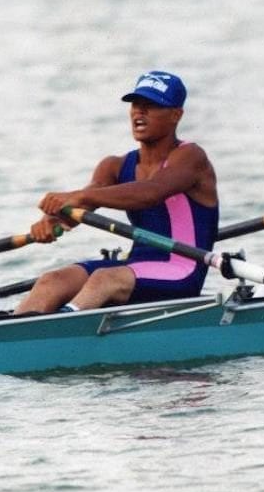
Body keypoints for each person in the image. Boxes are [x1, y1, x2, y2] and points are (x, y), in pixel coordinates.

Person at [15, 70, 219, 313]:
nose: (139, 112)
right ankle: (6, 340)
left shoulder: (191, 157)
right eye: (135, 105)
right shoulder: (114, 166)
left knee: (104, 279)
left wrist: (79, 196)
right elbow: (83, 204)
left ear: (176, 114)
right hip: (135, 266)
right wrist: (52, 219)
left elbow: (151, 192)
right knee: (52, 280)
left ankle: (60, 330)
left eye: (151, 106)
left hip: (183, 270)